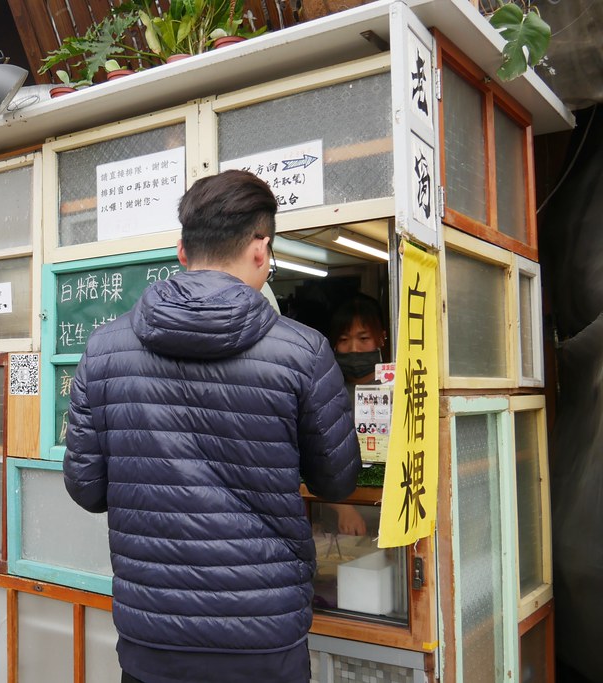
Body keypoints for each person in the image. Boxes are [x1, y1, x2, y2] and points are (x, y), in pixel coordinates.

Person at [63, 170, 361, 683]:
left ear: (182, 251)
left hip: (152, 636)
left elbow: (86, 489)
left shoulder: (104, 350)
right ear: (261, 249)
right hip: (263, 638)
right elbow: (337, 480)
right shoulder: (303, 352)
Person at [327, 294, 388, 536]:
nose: (353, 348)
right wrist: (343, 507)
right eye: (344, 340)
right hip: (335, 522)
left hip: (389, 513)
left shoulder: (401, 388)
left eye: (363, 338)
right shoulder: (324, 390)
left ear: (382, 338)